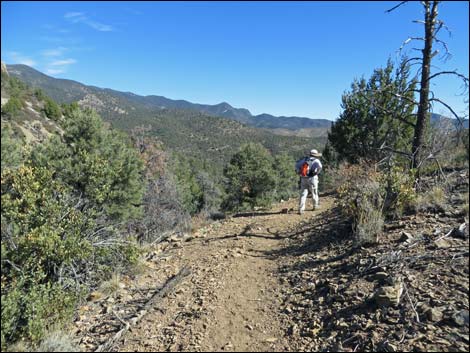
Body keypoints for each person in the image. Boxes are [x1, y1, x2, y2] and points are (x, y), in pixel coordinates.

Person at [295, 149, 323, 214]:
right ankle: (315, 206)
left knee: (303, 194)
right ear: (315, 155)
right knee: (314, 192)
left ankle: (301, 209)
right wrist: (316, 173)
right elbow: (320, 167)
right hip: (312, 178)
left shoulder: (304, 159)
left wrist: (299, 173)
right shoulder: (316, 160)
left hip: (303, 178)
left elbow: (296, 166)